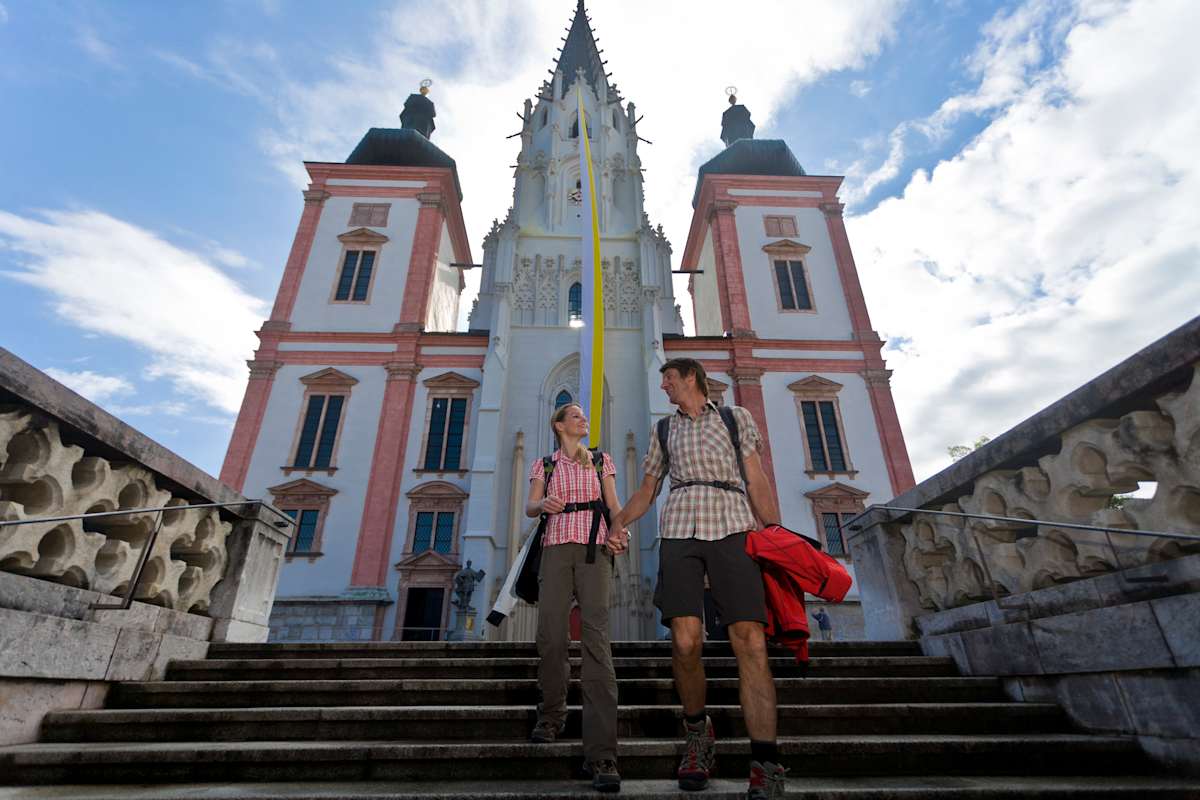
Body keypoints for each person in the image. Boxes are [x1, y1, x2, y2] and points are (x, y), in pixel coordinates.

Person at [613, 358, 787, 800]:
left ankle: (765, 761)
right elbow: (648, 489)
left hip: (732, 524)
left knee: (749, 639)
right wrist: (617, 522)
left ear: (691, 377)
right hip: (679, 530)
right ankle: (697, 735)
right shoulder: (664, 430)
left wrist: (775, 532)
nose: (664, 386)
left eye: (668, 378)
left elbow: (756, 478)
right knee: (686, 641)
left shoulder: (734, 418)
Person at [525, 402, 629, 793]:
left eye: (584, 416)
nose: (583, 420)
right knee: (550, 636)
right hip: (554, 550)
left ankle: (602, 752)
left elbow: (614, 506)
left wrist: (622, 534)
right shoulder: (545, 465)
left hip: (594, 551)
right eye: (576, 416)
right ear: (559, 425)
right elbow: (530, 507)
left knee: (596, 641)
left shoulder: (601, 461)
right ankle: (551, 716)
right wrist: (543, 504)